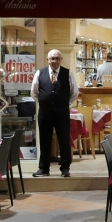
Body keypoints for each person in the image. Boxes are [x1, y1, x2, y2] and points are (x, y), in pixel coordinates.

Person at [30, 49, 79, 177]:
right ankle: (44, 168)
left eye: (57, 58)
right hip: (45, 112)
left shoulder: (68, 74)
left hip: (62, 113)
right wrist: (43, 101)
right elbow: (34, 92)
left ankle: (65, 168)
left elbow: (74, 92)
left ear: (61, 60)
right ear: (48, 59)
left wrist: (66, 104)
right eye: (52, 58)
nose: (55, 61)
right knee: (44, 140)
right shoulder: (40, 73)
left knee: (64, 139)